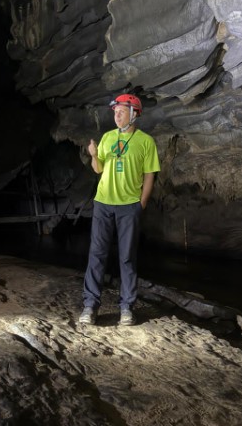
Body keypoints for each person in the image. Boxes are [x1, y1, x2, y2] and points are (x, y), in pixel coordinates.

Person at [79, 93, 160, 326]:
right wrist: (94, 155)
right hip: (103, 203)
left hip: (129, 206)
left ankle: (126, 308)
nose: (117, 116)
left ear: (134, 114)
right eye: (115, 112)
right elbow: (98, 169)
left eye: (122, 111)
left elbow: (150, 175)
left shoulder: (145, 141)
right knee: (97, 255)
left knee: (126, 258)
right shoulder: (107, 137)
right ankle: (90, 306)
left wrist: (141, 204)